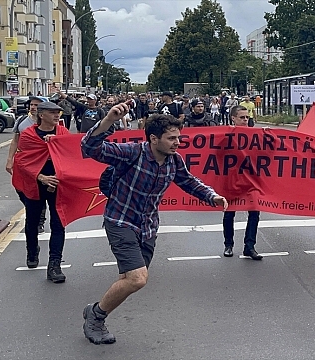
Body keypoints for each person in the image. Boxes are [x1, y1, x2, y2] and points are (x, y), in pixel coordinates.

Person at [80, 110, 228, 345]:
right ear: (153, 138)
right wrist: (109, 120)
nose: (177, 143)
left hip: (148, 227)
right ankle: (96, 318)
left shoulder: (174, 160)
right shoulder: (132, 152)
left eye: (178, 138)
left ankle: (95, 311)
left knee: (130, 279)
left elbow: (188, 181)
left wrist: (212, 196)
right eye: (171, 138)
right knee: (137, 279)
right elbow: (89, 148)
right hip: (121, 220)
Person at [12, 101, 69, 282]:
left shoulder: (63, 133)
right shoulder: (28, 135)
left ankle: (55, 265)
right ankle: (32, 250)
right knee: (33, 222)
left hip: (57, 183)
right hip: (35, 184)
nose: (57, 115)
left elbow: (69, 158)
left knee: (58, 224)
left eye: (58, 112)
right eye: (52, 112)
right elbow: (22, 161)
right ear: (41, 114)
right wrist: (42, 178)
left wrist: (58, 178)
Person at [222, 105, 262, 260]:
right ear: (233, 118)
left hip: (251, 180)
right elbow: (218, 155)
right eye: (242, 117)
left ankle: (250, 246)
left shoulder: (256, 135)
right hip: (232, 180)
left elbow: (265, 153)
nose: (246, 120)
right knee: (229, 213)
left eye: (247, 117)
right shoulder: (226, 135)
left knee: (254, 213)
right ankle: (228, 245)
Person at [6, 96, 47, 234]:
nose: (33, 107)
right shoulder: (22, 121)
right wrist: (10, 159)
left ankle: (39, 222)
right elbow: (15, 141)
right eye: (32, 104)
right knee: (20, 188)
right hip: (23, 162)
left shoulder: (48, 123)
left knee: (38, 193)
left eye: (37, 105)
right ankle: (32, 210)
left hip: (41, 163)